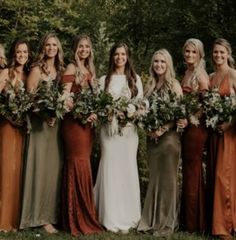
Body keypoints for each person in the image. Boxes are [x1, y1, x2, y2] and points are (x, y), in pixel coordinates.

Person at [93, 42, 143, 233]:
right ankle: (109, 216)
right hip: (109, 132)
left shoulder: (135, 79)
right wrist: (110, 113)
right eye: (116, 54)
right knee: (110, 168)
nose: (120, 57)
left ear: (128, 56)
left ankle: (129, 216)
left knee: (127, 169)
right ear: (112, 57)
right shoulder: (103, 79)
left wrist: (129, 113)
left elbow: (141, 106)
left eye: (123, 54)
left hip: (129, 133)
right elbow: (98, 106)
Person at [19, 33, 64, 233]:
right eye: (48, 45)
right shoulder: (37, 68)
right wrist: (44, 115)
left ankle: (50, 215)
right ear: (43, 47)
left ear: (58, 48)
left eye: (54, 45)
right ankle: (35, 216)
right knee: (38, 168)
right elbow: (29, 98)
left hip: (56, 127)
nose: (51, 48)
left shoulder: (61, 69)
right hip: (40, 125)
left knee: (53, 171)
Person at [61, 34, 103, 236]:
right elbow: (65, 97)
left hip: (88, 126)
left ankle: (86, 215)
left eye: (87, 46)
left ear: (90, 49)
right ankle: (74, 217)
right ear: (75, 48)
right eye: (80, 46)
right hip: (74, 124)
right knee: (76, 164)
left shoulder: (90, 70)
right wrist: (83, 113)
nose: (84, 50)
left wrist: (94, 112)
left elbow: (95, 99)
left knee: (84, 164)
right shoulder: (71, 68)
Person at [137, 49, 182, 237]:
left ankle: (167, 224)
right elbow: (142, 111)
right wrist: (147, 127)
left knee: (168, 181)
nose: (159, 65)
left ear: (168, 64)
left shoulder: (174, 85)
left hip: (169, 139)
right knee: (155, 178)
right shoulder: (149, 86)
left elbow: (179, 112)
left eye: (163, 62)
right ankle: (152, 220)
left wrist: (162, 129)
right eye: (156, 61)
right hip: (152, 139)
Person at [178, 38, 209, 233]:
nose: (189, 55)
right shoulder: (187, 72)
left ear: (200, 54)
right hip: (187, 127)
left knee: (193, 171)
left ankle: (195, 223)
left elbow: (206, 105)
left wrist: (190, 119)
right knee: (189, 171)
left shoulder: (201, 75)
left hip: (196, 128)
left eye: (193, 52)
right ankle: (188, 219)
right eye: (187, 51)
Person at [0, 39, 31, 231]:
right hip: (6, 125)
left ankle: (16, 218)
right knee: (6, 169)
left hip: (22, 127)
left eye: (25, 52)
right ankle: (3, 219)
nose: (21, 55)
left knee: (19, 170)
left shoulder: (29, 76)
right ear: (13, 54)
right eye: (18, 52)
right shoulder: (5, 73)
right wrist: (8, 114)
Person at [207, 38, 236, 240]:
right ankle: (214, 223)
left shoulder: (233, 74)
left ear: (228, 54)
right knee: (213, 175)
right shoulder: (210, 77)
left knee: (223, 177)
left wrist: (229, 123)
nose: (218, 55)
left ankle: (226, 226)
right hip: (214, 133)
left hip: (229, 133)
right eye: (215, 52)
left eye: (221, 52)